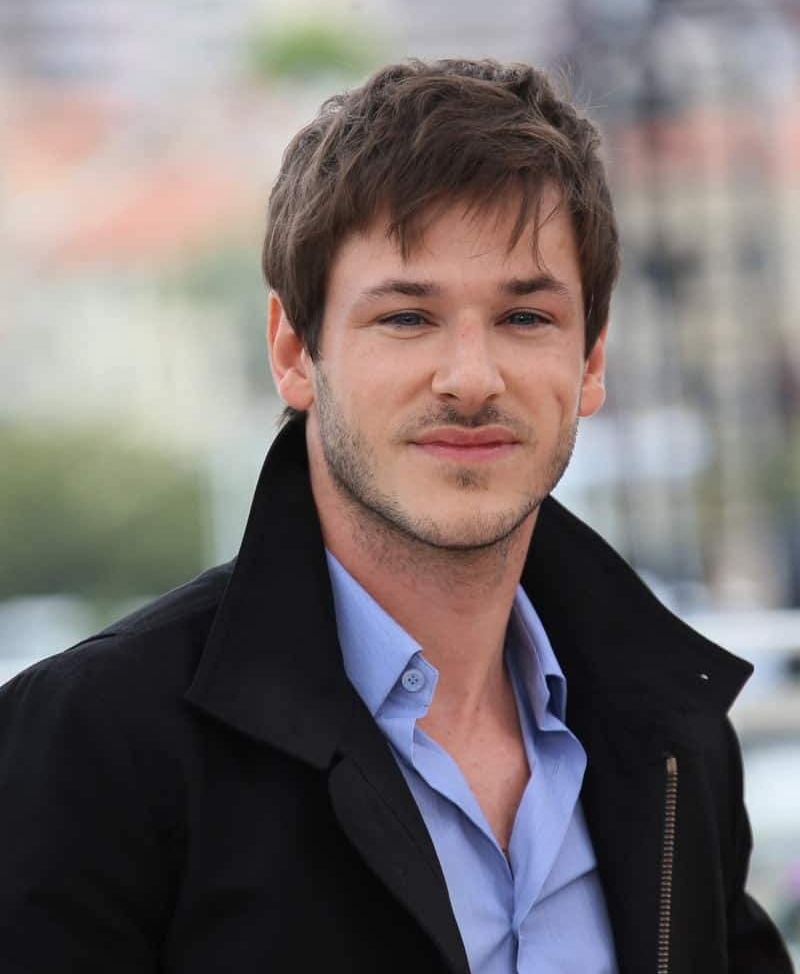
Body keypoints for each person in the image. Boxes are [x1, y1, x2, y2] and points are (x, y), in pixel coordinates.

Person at [0, 59, 791, 974]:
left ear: (592, 361)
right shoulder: (91, 745)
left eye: (526, 317)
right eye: (408, 318)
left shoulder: (672, 741)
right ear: (296, 352)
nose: (470, 377)